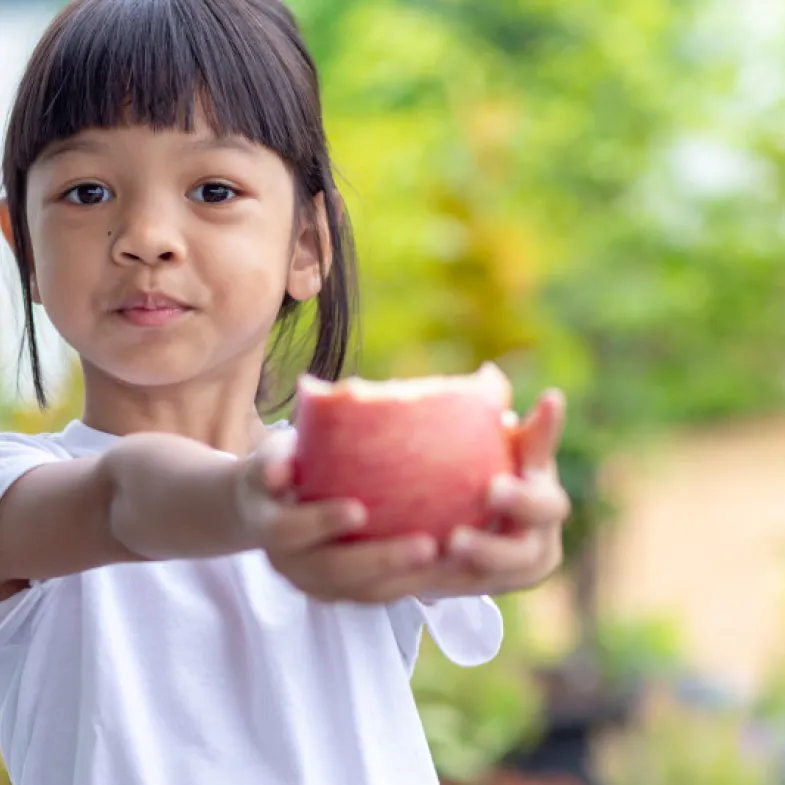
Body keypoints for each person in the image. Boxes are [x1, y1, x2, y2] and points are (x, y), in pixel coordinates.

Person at [0, 1, 571, 783]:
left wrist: (519, 536)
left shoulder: (361, 482)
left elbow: (470, 556)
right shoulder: (21, 491)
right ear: (24, 248)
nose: (147, 236)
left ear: (306, 244)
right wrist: (254, 503)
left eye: (212, 189)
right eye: (89, 192)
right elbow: (119, 499)